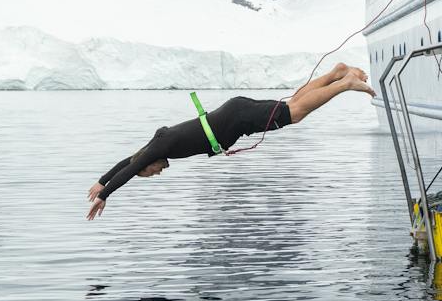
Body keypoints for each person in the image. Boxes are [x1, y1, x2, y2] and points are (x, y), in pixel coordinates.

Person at [86, 63, 374, 218]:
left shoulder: (160, 148)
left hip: (237, 118)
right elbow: (129, 161)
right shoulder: (158, 145)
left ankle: (344, 84)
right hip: (235, 116)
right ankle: (337, 73)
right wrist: (102, 179)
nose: (157, 172)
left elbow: (129, 170)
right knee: (293, 105)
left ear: (146, 164)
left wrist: (104, 195)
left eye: (150, 172)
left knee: (294, 113)